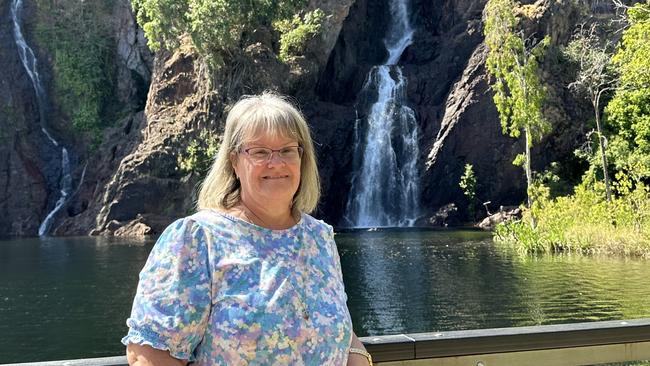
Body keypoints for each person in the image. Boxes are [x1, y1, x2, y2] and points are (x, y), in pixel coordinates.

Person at [122, 92, 373, 366]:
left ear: (303, 158)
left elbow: (341, 330)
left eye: (287, 150)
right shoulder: (196, 240)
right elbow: (149, 356)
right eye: (259, 152)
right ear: (234, 161)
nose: (276, 163)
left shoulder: (319, 238)